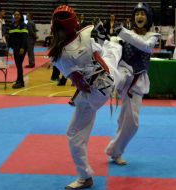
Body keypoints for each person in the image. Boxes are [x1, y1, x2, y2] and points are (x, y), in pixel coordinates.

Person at [48, 5, 122, 189]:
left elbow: (81, 84)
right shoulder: (87, 33)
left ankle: (84, 176)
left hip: (96, 92)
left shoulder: (60, 55)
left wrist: (79, 97)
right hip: (110, 77)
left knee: (74, 134)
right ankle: (116, 40)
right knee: (113, 51)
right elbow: (100, 59)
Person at [104, 2, 160, 165]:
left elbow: (147, 47)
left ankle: (115, 150)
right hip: (122, 75)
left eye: (143, 14)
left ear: (148, 17)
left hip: (137, 81)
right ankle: (115, 151)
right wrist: (104, 39)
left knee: (129, 122)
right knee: (130, 121)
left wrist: (124, 33)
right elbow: (112, 49)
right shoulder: (123, 34)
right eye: (137, 14)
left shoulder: (153, 36)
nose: (139, 17)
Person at [8, 10, 28, 89]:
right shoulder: (12, 25)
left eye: (18, 15)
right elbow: (10, 37)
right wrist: (8, 47)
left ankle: (20, 82)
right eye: (15, 14)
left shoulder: (23, 25)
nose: (16, 16)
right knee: (18, 65)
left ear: (21, 16)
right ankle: (20, 81)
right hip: (15, 48)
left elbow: (25, 37)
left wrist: (23, 47)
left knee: (19, 64)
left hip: (21, 49)